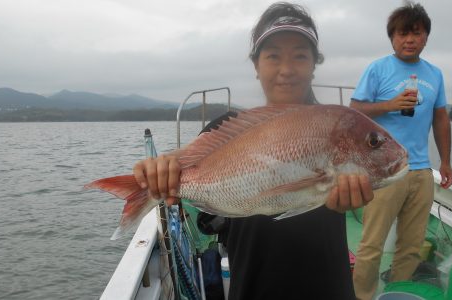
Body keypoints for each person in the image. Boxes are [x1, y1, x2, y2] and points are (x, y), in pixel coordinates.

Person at [133, 2, 373, 299]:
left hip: (329, 288)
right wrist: (157, 170)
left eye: (300, 55)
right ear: (256, 66)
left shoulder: (330, 125)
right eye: (273, 56)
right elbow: (181, 160)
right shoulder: (226, 127)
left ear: (314, 65)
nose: (286, 69)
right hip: (252, 288)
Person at [349, 2, 452, 300]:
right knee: (372, 244)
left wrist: (445, 162)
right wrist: (390, 105)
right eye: (402, 34)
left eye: (416, 33)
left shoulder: (435, 74)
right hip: (383, 171)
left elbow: (440, 117)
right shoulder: (378, 68)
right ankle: (363, 296)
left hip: (421, 170)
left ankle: (397, 293)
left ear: (426, 37)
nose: (409, 39)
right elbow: (355, 110)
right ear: (392, 38)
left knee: (411, 245)